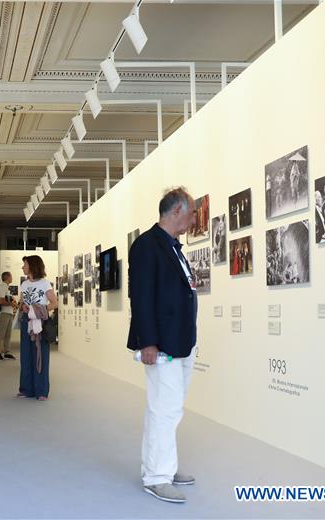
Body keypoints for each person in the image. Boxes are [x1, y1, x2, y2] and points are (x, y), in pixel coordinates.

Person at [127, 187, 199, 504]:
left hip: (181, 340)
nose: (194, 218)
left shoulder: (172, 247)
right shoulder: (147, 245)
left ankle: (164, 469)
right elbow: (140, 297)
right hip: (162, 344)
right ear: (176, 211)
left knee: (171, 410)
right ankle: (156, 477)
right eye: (192, 212)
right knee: (163, 409)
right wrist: (148, 343)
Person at [17, 256, 56, 400]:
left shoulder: (45, 284)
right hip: (26, 321)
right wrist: (24, 307)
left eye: (25, 265)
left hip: (40, 322)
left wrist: (38, 309)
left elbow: (54, 303)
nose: (23, 267)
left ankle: (41, 391)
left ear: (32, 266)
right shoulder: (24, 284)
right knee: (25, 355)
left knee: (41, 355)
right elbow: (21, 303)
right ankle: (26, 389)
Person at [0, 272, 17, 360]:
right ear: (8, 277)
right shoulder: (2, 287)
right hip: (4, 313)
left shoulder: (7, 288)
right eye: (11, 276)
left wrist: (12, 304)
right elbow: (0, 301)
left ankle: (7, 351)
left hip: (8, 313)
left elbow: (7, 300)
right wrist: (12, 304)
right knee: (1, 334)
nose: (12, 278)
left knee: (8, 334)